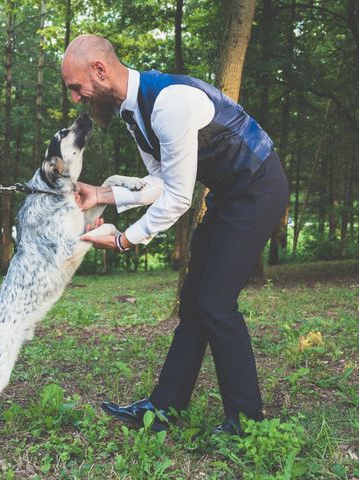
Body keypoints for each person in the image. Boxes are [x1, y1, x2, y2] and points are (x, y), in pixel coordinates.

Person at [62, 34, 289, 435]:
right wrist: (100, 194)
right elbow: (160, 182)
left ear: (99, 71)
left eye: (76, 88)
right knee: (194, 302)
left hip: (258, 188)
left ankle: (247, 420)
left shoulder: (169, 103)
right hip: (229, 194)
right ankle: (165, 407)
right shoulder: (134, 112)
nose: (77, 98)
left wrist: (123, 239)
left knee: (217, 304)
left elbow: (180, 198)